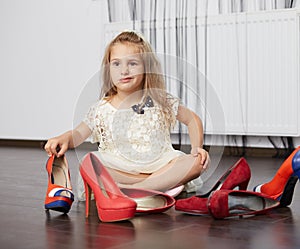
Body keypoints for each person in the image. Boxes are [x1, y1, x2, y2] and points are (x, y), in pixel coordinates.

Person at [44, 31, 210, 199]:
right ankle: (156, 186)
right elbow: (79, 134)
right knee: (90, 164)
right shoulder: (101, 108)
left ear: (146, 68)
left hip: (160, 166)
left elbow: (192, 120)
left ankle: (137, 189)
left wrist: (197, 149)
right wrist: (64, 137)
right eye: (116, 64)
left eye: (132, 63)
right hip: (121, 171)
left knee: (197, 162)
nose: (124, 70)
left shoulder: (161, 101)